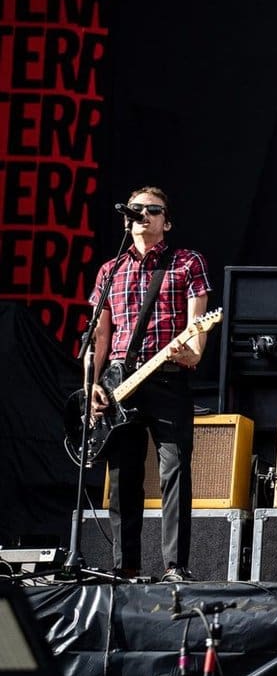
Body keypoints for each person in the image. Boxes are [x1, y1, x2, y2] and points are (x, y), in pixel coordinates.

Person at [87, 186, 213, 582]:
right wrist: (92, 385)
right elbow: (100, 337)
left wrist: (192, 353)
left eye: (152, 210)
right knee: (123, 475)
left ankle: (175, 565)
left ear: (166, 221)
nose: (142, 215)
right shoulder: (110, 270)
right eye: (136, 210)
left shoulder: (186, 262)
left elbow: (197, 326)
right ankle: (126, 566)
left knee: (174, 470)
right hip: (119, 381)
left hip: (167, 377)